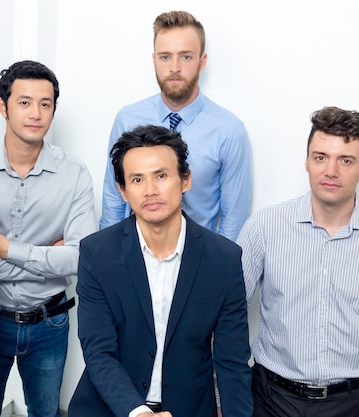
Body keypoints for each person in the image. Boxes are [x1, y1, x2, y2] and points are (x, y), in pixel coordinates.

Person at [237, 106, 359, 417]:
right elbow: (229, 314)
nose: (330, 171)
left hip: (352, 404)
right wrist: (228, 394)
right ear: (306, 161)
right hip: (270, 399)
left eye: (345, 160)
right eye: (320, 157)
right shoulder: (264, 227)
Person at [68, 125, 253, 417]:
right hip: (111, 408)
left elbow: (232, 361)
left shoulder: (224, 259)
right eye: (137, 179)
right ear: (123, 191)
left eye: (161, 176)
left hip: (188, 409)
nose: (151, 190)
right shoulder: (97, 253)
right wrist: (137, 411)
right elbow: (99, 351)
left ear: (186, 180)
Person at [0, 60, 97, 417]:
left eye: (45, 104)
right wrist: (48, 258)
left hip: (50, 320)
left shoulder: (74, 174)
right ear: (3, 106)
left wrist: (1, 247)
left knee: (44, 413)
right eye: (25, 102)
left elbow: (81, 259)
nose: (36, 113)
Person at [100, 10, 252, 241]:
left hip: (199, 260)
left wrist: (215, 268)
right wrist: (110, 257)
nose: (174, 68)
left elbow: (234, 218)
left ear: (202, 61)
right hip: (134, 256)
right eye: (165, 57)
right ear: (154, 60)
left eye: (186, 57)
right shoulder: (128, 120)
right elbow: (114, 198)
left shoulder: (229, 132)